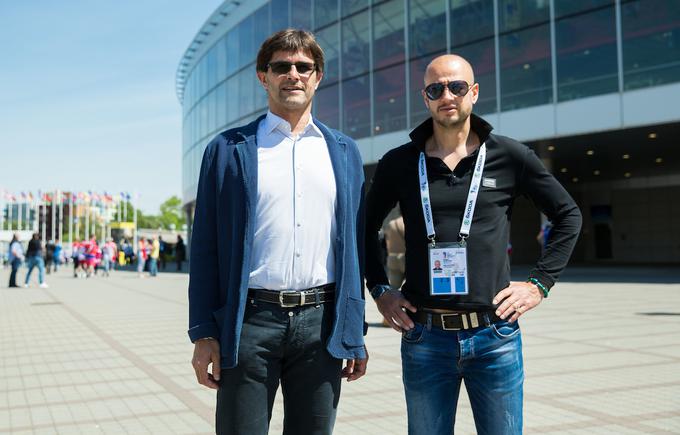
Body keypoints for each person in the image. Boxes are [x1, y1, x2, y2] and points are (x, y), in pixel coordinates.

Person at [365, 54, 582, 435]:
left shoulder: (510, 156)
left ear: (474, 92)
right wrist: (380, 289)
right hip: (424, 337)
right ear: (426, 98)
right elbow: (363, 227)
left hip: (495, 335)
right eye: (436, 89)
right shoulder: (399, 162)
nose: (447, 95)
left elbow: (569, 215)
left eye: (457, 86)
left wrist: (539, 284)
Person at [189, 28, 368, 435]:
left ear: (318, 77)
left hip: (321, 326)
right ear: (262, 76)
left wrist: (353, 329)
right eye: (282, 66)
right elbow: (204, 248)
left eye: (304, 67)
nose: (294, 74)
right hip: (250, 323)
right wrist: (203, 332)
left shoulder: (342, 151)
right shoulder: (228, 149)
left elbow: (355, 246)